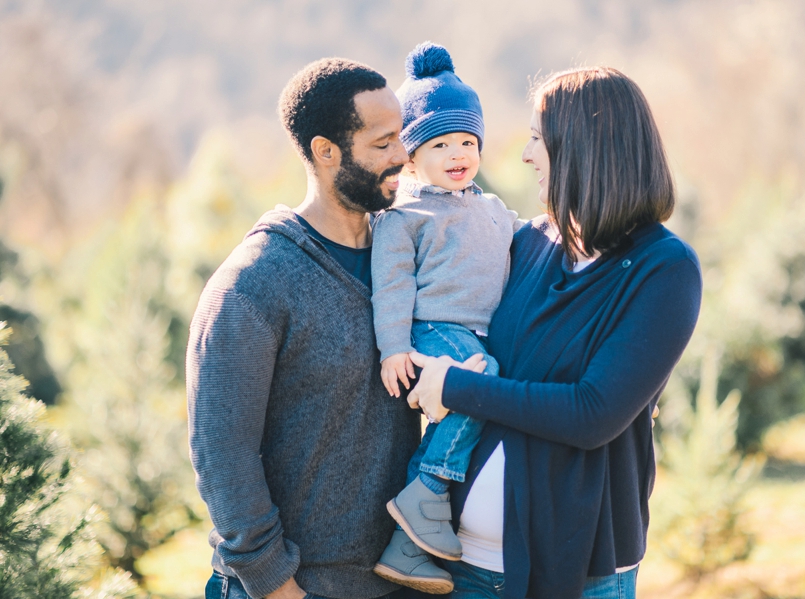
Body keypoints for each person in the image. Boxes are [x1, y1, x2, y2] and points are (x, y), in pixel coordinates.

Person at [406, 67, 703, 599]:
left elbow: (592, 414)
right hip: (459, 567)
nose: (524, 155)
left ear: (584, 148)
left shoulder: (664, 269)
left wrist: (454, 387)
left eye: (537, 139)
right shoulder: (527, 244)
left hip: (579, 574)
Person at [186, 57, 451, 599]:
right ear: (326, 151)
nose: (403, 155)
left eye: (402, 136)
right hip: (299, 587)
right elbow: (222, 455)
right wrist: (277, 586)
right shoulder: (254, 282)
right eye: (382, 143)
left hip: (394, 580)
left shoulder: (403, 260)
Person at [369, 43, 520, 594]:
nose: (457, 153)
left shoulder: (492, 208)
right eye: (439, 144)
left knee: (473, 394)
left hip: (476, 335)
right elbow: (390, 287)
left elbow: (531, 239)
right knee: (482, 381)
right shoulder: (403, 217)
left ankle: (406, 548)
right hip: (431, 329)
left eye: (467, 142)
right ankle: (429, 487)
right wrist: (392, 349)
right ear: (411, 156)